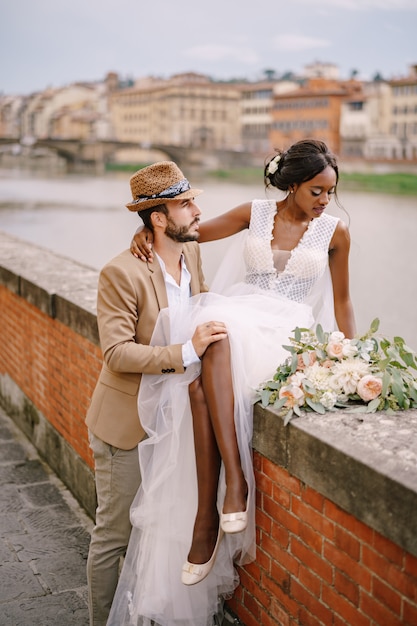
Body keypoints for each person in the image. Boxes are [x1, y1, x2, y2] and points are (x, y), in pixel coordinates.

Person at [108, 139, 356, 626]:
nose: (324, 200)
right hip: (241, 316)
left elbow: (343, 302)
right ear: (290, 184)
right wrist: (141, 234)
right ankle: (230, 490)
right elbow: (186, 234)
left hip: (286, 332)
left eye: (330, 192)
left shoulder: (334, 232)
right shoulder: (254, 213)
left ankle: (212, 510)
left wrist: (348, 355)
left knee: (208, 369)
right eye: (316, 191)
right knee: (213, 345)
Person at [84, 161, 228, 626]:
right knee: (115, 535)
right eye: (186, 204)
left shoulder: (193, 257)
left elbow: (203, 313)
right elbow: (116, 354)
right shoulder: (120, 272)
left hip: (177, 423)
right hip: (127, 426)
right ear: (158, 218)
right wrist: (187, 349)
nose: (197, 210)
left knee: (162, 532)